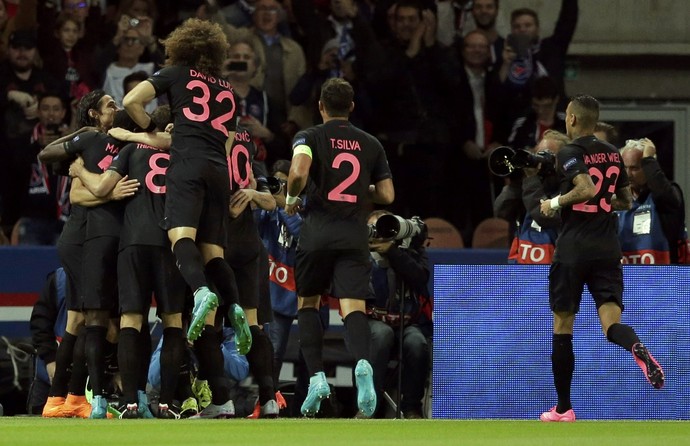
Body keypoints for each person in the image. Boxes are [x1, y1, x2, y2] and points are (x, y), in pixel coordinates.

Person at [122, 18, 251, 419]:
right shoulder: (228, 90)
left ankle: (201, 293)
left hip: (188, 164)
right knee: (214, 252)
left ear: (180, 48)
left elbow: (131, 101)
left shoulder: (175, 73)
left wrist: (152, 129)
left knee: (181, 238)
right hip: (219, 170)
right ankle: (233, 305)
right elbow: (229, 140)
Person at [538, 94, 664, 422]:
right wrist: (601, 203)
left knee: (563, 326)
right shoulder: (612, 153)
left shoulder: (569, 151)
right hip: (608, 249)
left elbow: (586, 189)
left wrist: (554, 203)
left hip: (573, 250)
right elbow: (623, 199)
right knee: (611, 324)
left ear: (574, 120)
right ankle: (635, 345)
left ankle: (563, 408)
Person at [68, 108, 188, 419]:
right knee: (174, 322)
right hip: (172, 241)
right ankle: (166, 403)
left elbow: (101, 188)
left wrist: (80, 171)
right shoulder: (183, 153)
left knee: (131, 322)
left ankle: (130, 403)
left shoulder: (131, 150)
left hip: (134, 242)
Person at [285, 77, 394, 417]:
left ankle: (316, 377)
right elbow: (388, 195)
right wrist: (363, 189)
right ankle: (362, 362)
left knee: (308, 304)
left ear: (320, 106)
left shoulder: (309, 137)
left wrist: (291, 197)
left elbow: (299, 170)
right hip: (353, 236)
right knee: (353, 308)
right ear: (351, 107)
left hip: (316, 233)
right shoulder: (371, 143)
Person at [364, 210, 432, 419]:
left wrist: (393, 252)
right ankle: (368, 406)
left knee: (417, 342)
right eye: (374, 229)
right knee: (382, 335)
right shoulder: (357, 254)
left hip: (408, 323)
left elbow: (420, 278)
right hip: (370, 323)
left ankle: (411, 407)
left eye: (385, 228)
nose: (379, 235)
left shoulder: (409, 251)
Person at [494, 130, 569, 264]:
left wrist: (531, 181)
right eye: (537, 154)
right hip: (522, 272)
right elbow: (501, 211)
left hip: (554, 274)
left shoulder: (570, 192)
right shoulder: (530, 185)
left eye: (547, 156)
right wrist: (516, 180)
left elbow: (545, 217)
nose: (541, 161)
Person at [617, 137, 688, 264]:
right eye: (625, 168)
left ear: (648, 168)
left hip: (664, 279)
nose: (628, 174)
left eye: (634, 168)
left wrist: (648, 159)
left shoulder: (667, 195)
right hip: (627, 279)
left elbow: (662, 194)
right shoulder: (617, 201)